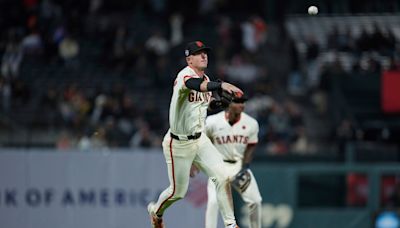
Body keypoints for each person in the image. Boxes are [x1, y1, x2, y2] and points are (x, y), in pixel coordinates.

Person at [147, 41, 243, 228]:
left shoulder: (206, 79)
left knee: (222, 176)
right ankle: (156, 212)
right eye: (198, 53)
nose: (204, 56)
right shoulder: (185, 76)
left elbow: (208, 104)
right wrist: (221, 85)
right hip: (179, 143)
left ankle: (231, 225)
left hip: (200, 140)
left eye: (205, 52)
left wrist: (225, 103)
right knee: (177, 192)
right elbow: (196, 85)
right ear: (189, 59)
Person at [204, 95, 263, 228]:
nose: (242, 105)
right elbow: (203, 144)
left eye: (243, 102)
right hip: (218, 166)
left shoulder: (251, 123)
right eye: (237, 102)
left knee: (256, 201)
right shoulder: (212, 121)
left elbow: (251, 147)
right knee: (213, 202)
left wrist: (245, 166)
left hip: (238, 166)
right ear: (228, 104)